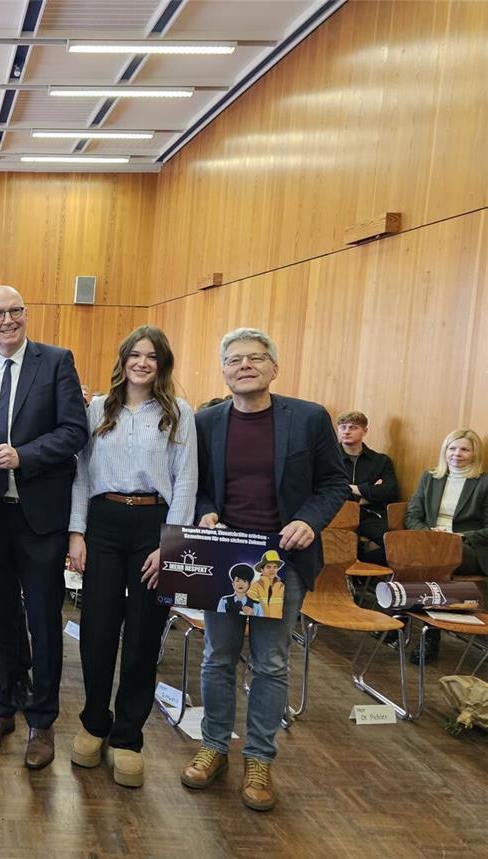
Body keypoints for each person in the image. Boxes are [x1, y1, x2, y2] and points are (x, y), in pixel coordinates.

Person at [181, 327, 348, 812]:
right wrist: (204, 511)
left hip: (283, 559)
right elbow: (197, 484)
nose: (244, 365)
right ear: (224, 371)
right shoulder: (205, 421)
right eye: (234, 360)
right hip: (225, 557)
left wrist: (308, 522)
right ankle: (214, 745)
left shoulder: (309, 418)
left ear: (274, 367)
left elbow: (334, 484)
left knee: (271, 663)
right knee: (217, 657)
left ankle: (259, 757)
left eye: (255, 358)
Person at [0, 285, 89, 770]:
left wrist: (23, 456)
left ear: (25, 315)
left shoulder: (56, 362)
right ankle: (0, 709)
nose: (7, 320)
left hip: (41, 518)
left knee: (42, 621)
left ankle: (42, 721)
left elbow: (75, 431)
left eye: (15, 311)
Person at [67, 325, 197, 787]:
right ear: (122, 360)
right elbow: (80, 473)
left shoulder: (179, 413)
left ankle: (127, 737)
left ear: (162, 364)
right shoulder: (99, 408)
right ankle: (93, 722)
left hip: (152, 526)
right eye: (134, 355)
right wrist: (76, 532)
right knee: (98, 630)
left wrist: (171, 545)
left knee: (143, 635)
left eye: (151, 356)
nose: (142, 362)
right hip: (102, 524)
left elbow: (186, 481)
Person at [405, 429, 488, 661]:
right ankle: (426, 629)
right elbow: (412, 515)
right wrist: (430, 535)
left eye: (464, 449)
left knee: (429, 563)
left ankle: (415, 626)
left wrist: (458, 536)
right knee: (418, 558)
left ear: (474, 454)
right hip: (431, 544)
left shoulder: (483, 483)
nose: (457, 454)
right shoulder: (430, 478)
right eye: (452, 448)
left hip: (469, 548)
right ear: (445, 451)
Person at [336, 411, 399, 563]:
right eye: (343, 427)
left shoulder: (380, 461)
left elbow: (389, 492)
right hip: (335, 513)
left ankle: (360, 562)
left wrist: (349, 489)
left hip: (369, 514)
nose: (347, 431)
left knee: (396, 546)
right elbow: (323, 489)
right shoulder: (328, 458)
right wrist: (369, 492)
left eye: (353, 427)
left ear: (364, 431)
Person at [247, 550, 286, 619]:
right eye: (268, 567)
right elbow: (249, 607)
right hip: (260, 624)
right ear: (262, 569)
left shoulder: (282, 586)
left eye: (275, 567)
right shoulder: (254, 586)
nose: (272, 570)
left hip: (278, 625)